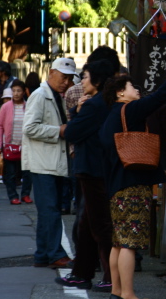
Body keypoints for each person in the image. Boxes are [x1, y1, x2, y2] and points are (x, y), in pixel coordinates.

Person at [100, 52, 166, 299]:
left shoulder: (112, 116)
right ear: (120, 93)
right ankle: (128, 293)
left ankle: (116, 290)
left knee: (118, 241)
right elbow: (159, 97)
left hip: (116, 186)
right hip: (132, 185)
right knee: (129, 243)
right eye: (132, 86)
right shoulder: (130, 110)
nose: (136, 89)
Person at [55, 59, 116, 292]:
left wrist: (75, 111)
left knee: (99, 225)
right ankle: (82, 273)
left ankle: (110, 277)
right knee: (87, 224)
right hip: (98, 169)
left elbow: (72, 131)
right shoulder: (104, 102)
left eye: (86, 76)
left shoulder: (95, 104)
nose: (83, 81)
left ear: (98, 80)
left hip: (91, 170)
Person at [22, 57, 78, 269]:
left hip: (51, 161)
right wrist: (59, 131)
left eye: (69, 79)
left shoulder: (56, 95)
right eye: (63, 77)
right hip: (42, 161)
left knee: (48, 210)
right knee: (50, 210)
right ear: (51, 73)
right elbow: (29, 128)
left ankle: (43, 254)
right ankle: (54, 254)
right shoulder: (39, 95)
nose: (66, 82)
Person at [0, 80, 33, 205]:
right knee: (10, 174)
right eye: (14, 91)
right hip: (10, 145)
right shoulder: (5, 107)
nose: (16, 94)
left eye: (19, 91)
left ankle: (26, 194)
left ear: (24, 92)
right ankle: (13, 196)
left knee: (27, 172)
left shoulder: (29, 106)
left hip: (26, 145)